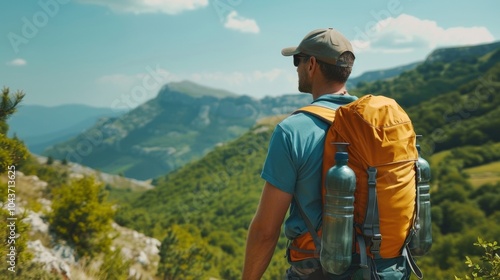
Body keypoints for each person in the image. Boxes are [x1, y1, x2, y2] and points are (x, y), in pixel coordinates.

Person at [242, 28, 358, 279]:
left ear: (312, 65)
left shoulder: (293, 130)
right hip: (383, 267)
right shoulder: (375, 123)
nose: (296, 67)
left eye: (298, 60)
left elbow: (265, 231)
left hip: (319, 271)